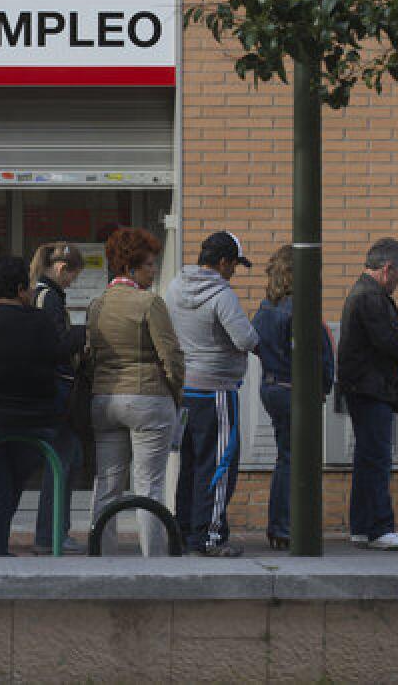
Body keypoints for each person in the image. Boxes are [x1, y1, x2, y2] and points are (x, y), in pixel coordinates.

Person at [0, 257, 80, 556]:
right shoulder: (39, 323)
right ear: (22, 290)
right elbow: (56, 357)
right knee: (4, 486)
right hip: (32, 422)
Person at [87, 228, 184, 556]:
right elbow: (170, 356)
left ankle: (101, 554)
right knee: (149, 485)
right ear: (130, 268)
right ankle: (153, 558)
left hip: (104, 398)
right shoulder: (149, 303)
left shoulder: (96, 305)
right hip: (148, 397)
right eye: (149, 265)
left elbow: (91, 353)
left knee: (107, 484)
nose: (154, 270)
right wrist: (175, 392)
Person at [167, 231, 259, 557]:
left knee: (190, 466)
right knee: (218, 467)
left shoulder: (175, 287)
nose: (234, 272)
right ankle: (209, 537)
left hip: (185, 391)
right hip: (217, 391)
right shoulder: (223, 295)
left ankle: (182, 531)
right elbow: (245, 339)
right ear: (223, 262)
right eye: (234, 265)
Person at [338, 237, 398, 551]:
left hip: (363, 387)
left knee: (366, 459)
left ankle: (362, 527)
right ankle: (379, 528)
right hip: (371, 389)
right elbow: (385, 341)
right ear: (388, 268)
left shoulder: (363, 293)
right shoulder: (370, 297)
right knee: (377, 460)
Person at [252, 244, 335, 551]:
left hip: (271, 386)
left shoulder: (264, 309)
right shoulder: (300, 309)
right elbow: (319, 357)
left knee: (285, 458)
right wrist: (324, 388)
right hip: (295, 390)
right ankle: (286, 527)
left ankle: (280, 526)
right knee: (295, 461)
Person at [29, 241, 87, 555]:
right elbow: (55, 345)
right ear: (62, 269)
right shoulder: (48, 298)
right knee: (63, 461)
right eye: (72, 277)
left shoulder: (41, 294)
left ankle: (52, 531)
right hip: (55, 391)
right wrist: (82, 334)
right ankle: (51, 533)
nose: (71, 283)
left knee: (68, 458)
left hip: (49, 389)